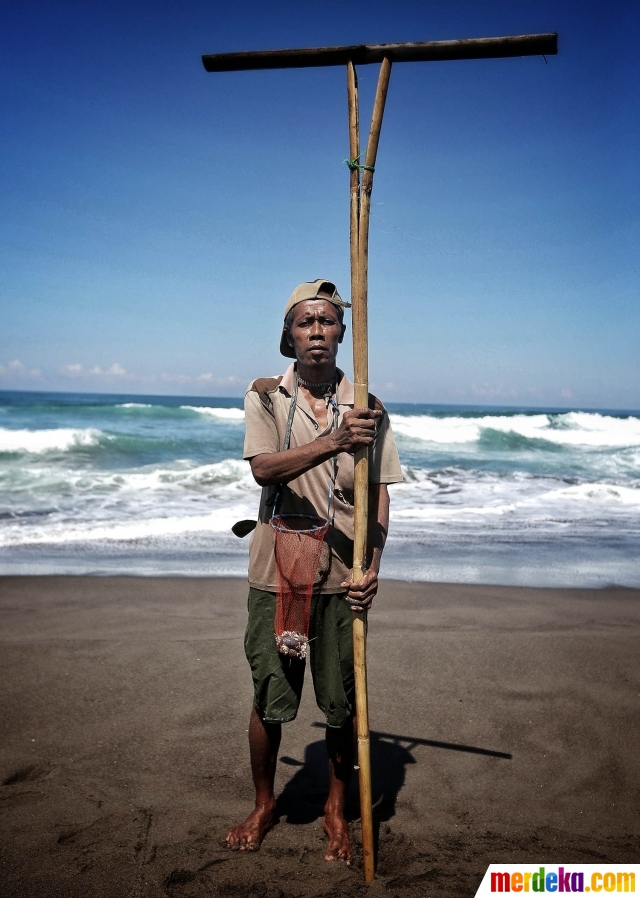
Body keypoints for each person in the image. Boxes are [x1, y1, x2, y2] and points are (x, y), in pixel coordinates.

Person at [225, 279, 403, 864]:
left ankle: (334, 809)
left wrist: (372, 567)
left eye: (328, 322)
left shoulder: (369, 407)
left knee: (342, 699)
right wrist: (333, 441)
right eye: (306, 323)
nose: (318, 332)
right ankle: (263, 802)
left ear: (343, 333)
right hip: (276, 565)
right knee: (270, 692)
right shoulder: (266, 395)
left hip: (341, 569)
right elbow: (264, 470)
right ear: (289, 336)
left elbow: (378, 497)